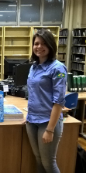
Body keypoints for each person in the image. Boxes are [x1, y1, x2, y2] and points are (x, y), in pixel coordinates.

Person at [26, 29, 67, 173]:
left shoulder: (58, 68)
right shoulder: (33, 67)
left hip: (47, 122)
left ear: (50, 45)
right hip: (32, 121)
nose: (39, 46)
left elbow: (59, 102)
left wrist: (50, 130)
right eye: (36, 43)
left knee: (49, 163)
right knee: (38, 159)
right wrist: (28, 115)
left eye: (43, 43)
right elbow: (34, 94)